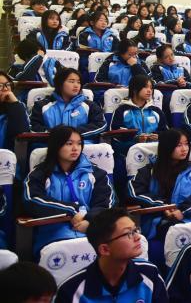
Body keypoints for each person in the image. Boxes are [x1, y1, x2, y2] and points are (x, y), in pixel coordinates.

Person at [22, 126, 115, 256]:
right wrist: (71, 211)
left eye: (79, 143)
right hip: (54, 236)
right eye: (69, 143)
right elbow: (32, 200)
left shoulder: (96, 173)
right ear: (56, 145)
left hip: (93, 233)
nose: (75, 148)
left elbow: (107, 203)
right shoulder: (40, 174)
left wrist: (90, 221)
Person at [55, 207, 168, 302]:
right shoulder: (71, 291)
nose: (138, 237)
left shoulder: (150, 274)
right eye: (128, 233)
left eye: (135, 230)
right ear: (105, 249)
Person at [128, 129, 191, 241]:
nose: (184, 149)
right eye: (179, 145)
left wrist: (183, 211)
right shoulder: (150, 170)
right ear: (167, 147)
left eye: (186, 144)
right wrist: (163, 206)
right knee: (172, 231)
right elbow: (134, 192)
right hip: (161, 219)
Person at [30, 68, 106, 141]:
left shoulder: (90, 106)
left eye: (78, 82)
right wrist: (57, 135)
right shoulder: (41, 106)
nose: (76, 85)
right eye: (71, 81)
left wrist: (73, 134)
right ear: (60, 83)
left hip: (83, 145)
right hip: (50, 145)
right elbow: (33, 127)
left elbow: (100, 124)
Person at [0, 71, 30, 150]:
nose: (5, 89)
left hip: (6, 155)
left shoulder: (17, 107)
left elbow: (22, 133)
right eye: (0, 86)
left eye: (7, 84)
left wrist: (15, 104)